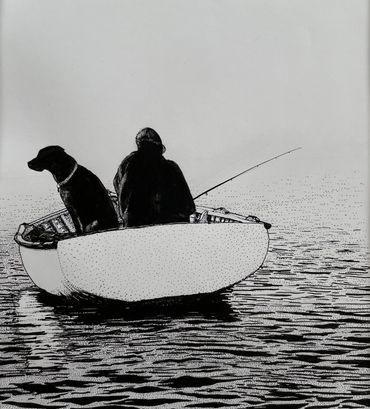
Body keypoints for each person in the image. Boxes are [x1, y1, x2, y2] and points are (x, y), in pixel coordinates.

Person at [113, 128, 195, 227]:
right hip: (169, 226)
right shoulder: (172, 167)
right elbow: (188, 206)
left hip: (136, 225)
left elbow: (118, 185)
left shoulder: (129, 163)